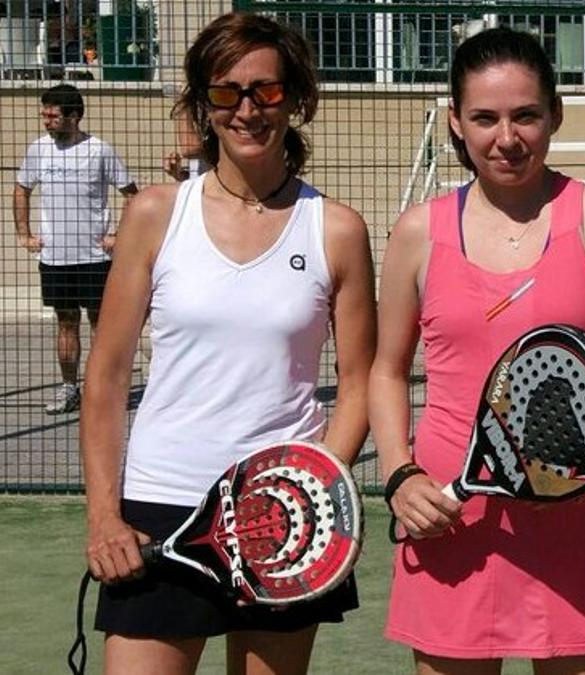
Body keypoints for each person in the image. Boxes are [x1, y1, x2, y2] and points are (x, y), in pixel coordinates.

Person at [80, 13, 375, 674]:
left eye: (266, 91)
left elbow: (358, 382)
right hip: (160, 502)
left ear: (295, 100)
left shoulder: (337, 229)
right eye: (226, 92)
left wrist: (313, 490)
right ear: (201, 104)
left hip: (282, 516)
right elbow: (104, 377)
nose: (247, 109)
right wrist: (105, 515)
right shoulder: (155, 214)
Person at [369, 26, 585, 675]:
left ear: (556, 113)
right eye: (485, 117)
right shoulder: (418, 233)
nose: (507, 137)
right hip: (452, 519)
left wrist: (575, 445)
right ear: (456, 122)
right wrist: (399, 475)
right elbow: (384, 372)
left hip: (578, 512)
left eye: (526, 114)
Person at [14, 84, 139, 415]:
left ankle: (103, 390)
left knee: (102, 324)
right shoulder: (38, 150)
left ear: (75, 116)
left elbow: (131, 194)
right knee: (65, 322)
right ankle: (69, 388)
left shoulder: (99, 150)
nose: (46, 121)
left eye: (53, 115)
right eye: (44, 114)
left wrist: (119, 236)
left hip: (95, 259)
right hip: (55, 258)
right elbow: (22, 188)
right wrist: (24, 234)